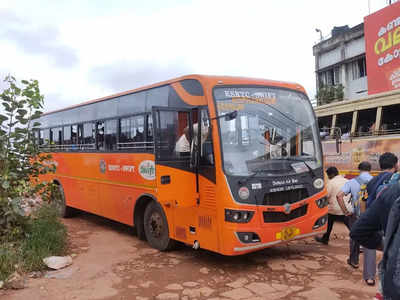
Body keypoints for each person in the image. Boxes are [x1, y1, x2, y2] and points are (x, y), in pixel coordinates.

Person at [350, 179, 400, 300]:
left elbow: (362, 203)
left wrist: (388, 245)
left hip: (393, 276)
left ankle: (369, 277)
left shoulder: (387, 188)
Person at [361, 152, 398, 286]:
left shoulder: (371, 180)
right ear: (395, 165)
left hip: (373, 217)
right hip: (389, 220)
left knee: (370, 246)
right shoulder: (395, 178)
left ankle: (370, 277)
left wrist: (365, 218)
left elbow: (363, 200)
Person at [336, 161, 373, 269]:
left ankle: (354, 261)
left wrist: (345, 211)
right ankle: (370, 269)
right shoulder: (375, 181)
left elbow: (339, 196)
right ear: (370, 169)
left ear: (359, 169)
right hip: (371, 215)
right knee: (371, 238)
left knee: (355, 237)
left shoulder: (352, 182)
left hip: (356, 215)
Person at [315, 166, 351, 244]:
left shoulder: (331, 183)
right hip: (348, 208)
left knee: (329, 220)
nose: (328, 177)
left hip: (335, 209)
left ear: (331, 175)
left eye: (328, 175)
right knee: (350, 225)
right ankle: (360, 241)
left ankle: (325, 239)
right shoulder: (347, 181)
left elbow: (326, 195)